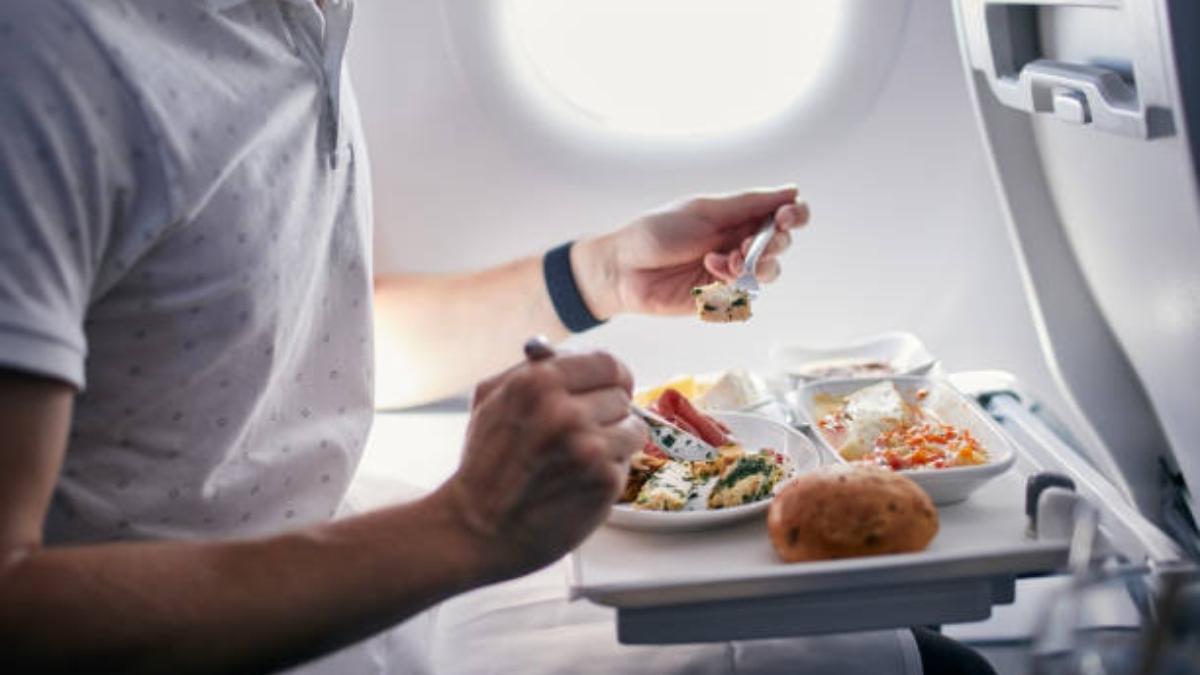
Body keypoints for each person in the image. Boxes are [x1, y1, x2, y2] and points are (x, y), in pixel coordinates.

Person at [1, 2, 997, 674]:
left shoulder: (298, 20)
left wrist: (596, 274)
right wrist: (464, 527)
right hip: (258, 631)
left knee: (900, 645)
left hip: (360, 572)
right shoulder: (48, 65)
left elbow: (284, 346)